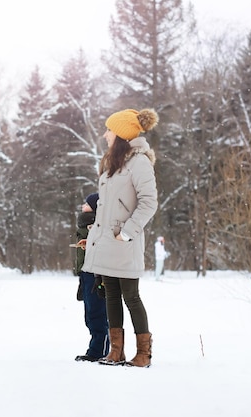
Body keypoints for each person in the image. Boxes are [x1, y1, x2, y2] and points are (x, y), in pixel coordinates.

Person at [81, 108, 159, 368]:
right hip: (106, 241)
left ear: (122, 134)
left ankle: (143, 354)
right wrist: (95, 234)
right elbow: (108, 206)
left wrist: (126, 233)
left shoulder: (140, 162)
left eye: (109, 130)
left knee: (131, 296)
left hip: (124, 241)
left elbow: (148, 203)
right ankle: (116, 352)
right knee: (111, 295)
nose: (105, 134)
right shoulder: (114, 163)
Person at [73, 193, 109, 362]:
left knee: (97, 312)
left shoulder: (97, 224)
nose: (83, 206)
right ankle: (95, 348)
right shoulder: (84, 223)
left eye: (86, 204)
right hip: (85, 272)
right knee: (90, 313)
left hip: (96, 272)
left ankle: (99, 350)